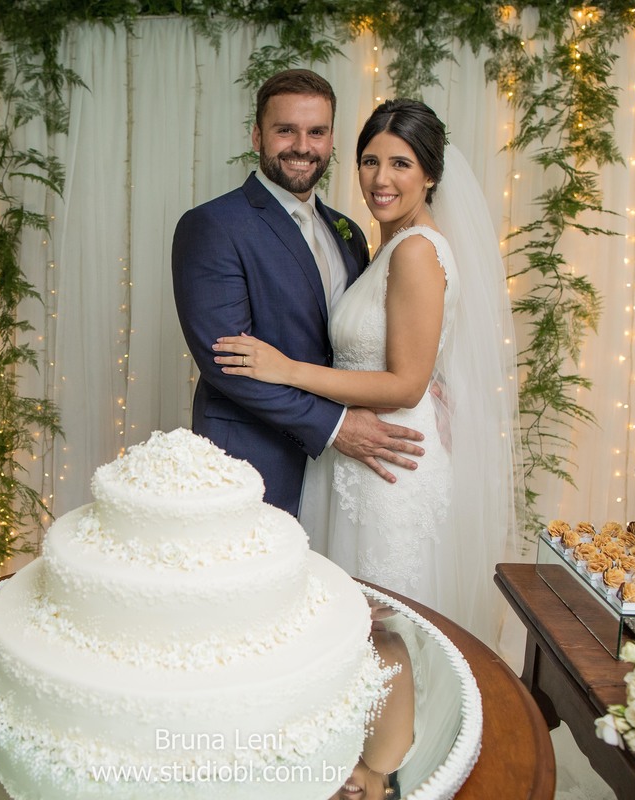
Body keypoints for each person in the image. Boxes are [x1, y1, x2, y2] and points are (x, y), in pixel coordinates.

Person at [212, 100, 520, 644]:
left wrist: (288, 370)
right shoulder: (378, 244)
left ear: (430, 174)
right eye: (370, 161)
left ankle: (394, 729)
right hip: (354, 459)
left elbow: (404, 384)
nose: (381, 179)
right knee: (346, 627)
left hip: (388, 465)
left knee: (384, 633)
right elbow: (402, 351)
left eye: (401, 164)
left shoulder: (415, 252)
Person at [172, 69, 426, 516]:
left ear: (332, 140)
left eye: (317, 132)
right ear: (257, 135)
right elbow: (227, 364)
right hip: (252, 462)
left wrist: (423, 376)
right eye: (285, 130)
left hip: (342, 469)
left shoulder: (347, 232)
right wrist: (336, 426)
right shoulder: (212, 225)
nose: (302, 147)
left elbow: (364, 336)